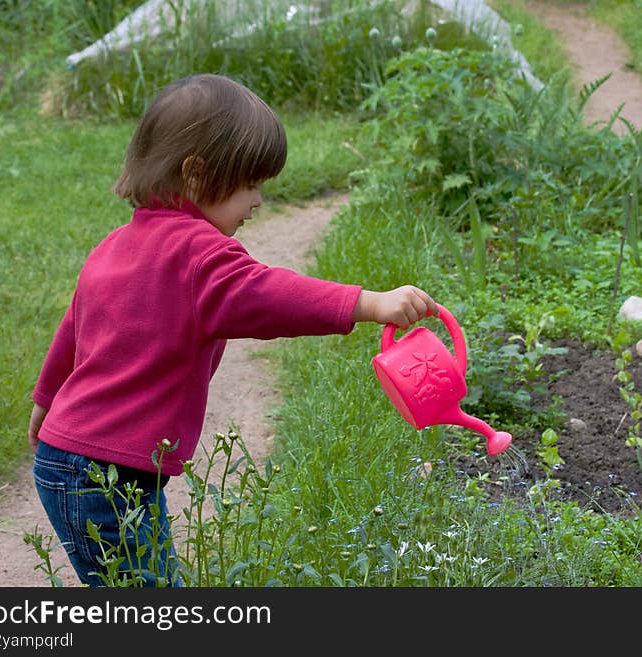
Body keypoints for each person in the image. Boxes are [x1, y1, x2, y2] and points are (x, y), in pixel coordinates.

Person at [28, 73, 437, 587]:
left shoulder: (115, 245)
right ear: (197, 175)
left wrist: (46, 402)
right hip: (101, 477)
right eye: (251, 184)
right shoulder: (200, 255)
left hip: (75, 461)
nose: (259, 200)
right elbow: (268, 296)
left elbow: (74, 329)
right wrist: (368, 302)